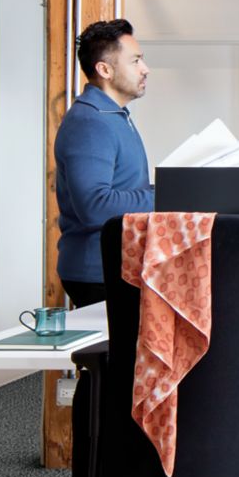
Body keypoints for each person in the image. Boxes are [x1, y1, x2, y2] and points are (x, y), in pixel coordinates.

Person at [53, 19, 153, 308]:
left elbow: (126, 188)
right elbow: (95, 206)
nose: (145, 69)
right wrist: (167, 197)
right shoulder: (91, 122)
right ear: (105, 69)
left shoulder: (113, 116)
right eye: (135, 61)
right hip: (98, 274)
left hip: (118, 266)